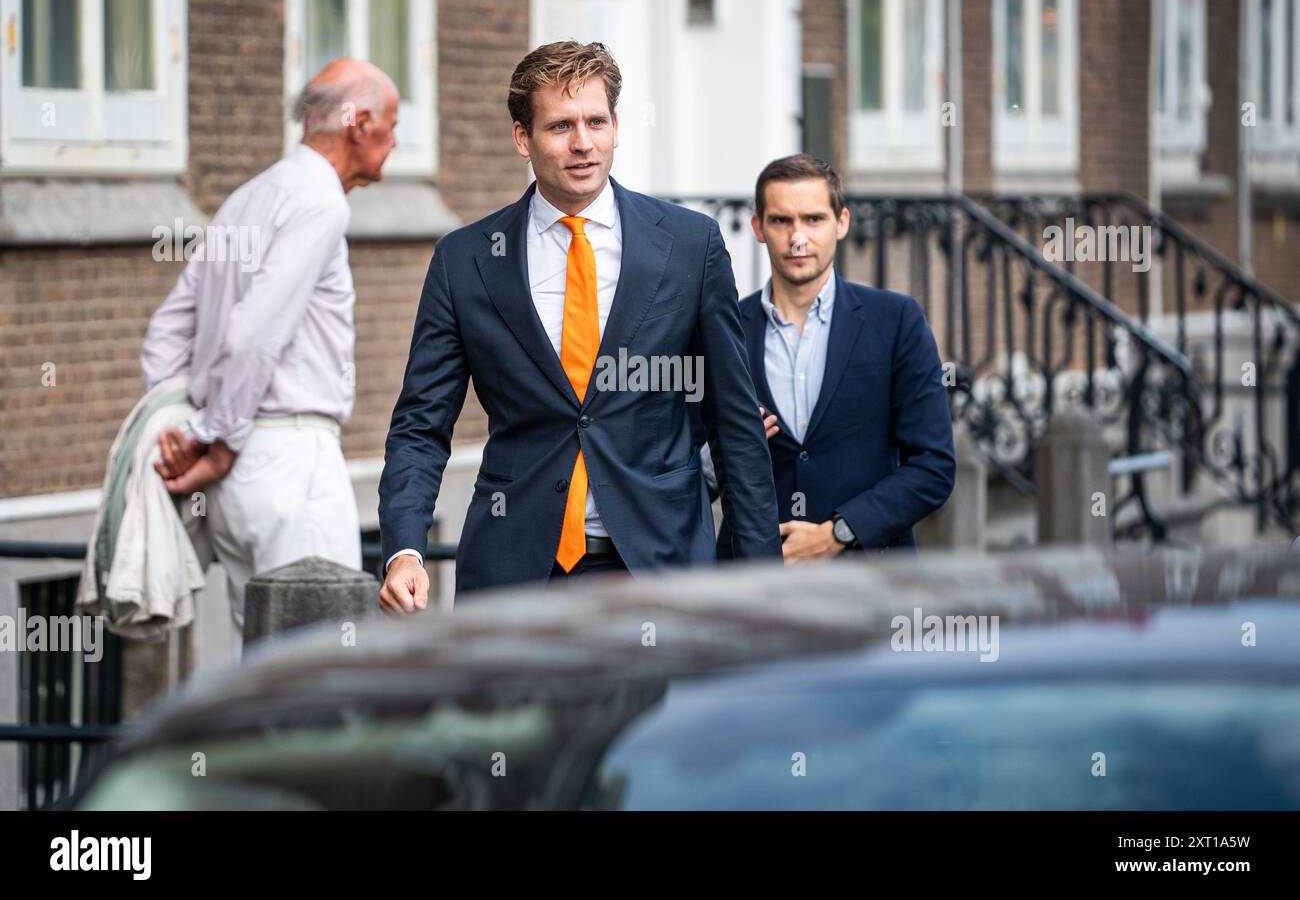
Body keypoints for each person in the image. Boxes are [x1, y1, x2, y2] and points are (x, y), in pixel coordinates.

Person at [378, 40, 781, 611]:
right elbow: (421, 424)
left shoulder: (691, 245)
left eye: (596, 121)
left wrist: (765, 579)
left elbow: (735, 421)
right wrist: (405, 550)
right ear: (524, 138)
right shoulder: (465, 259)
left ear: (617, 126)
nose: (583, 143)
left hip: (658, 567)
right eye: (560, 126)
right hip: (516, 572)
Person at [141, 58, 400, 641]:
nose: (396, 139)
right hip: (289, 460)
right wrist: (218, 437)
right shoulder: (321, 203)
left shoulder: (249, 197)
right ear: (357, 123)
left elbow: (167, 330)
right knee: (319, 657)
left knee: (260, 660)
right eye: (391, 122)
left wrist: (180, 428)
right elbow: (254, 332)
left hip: (236, 484)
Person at [710, 155, 955, 562]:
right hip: (752, 583)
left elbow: (933, 467)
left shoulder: (896, 322)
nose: (797, 238)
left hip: (872, 580)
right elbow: (683, 465)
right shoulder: (723, 329)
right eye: (781, 221)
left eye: (813, 219)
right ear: (758, 227)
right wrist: (724, 442)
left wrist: (839, 533)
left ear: (841, 223)